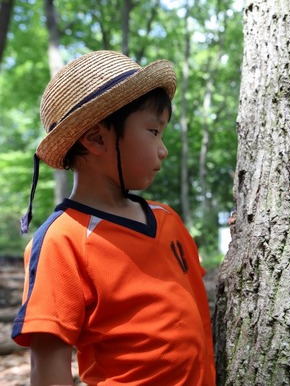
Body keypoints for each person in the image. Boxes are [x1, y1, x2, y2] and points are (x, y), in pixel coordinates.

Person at [11, 50, 216, 385]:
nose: (163, 149)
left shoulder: (168, 221)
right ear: (95, 138)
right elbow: (49, 362)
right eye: (153, 131)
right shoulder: (64, 240)